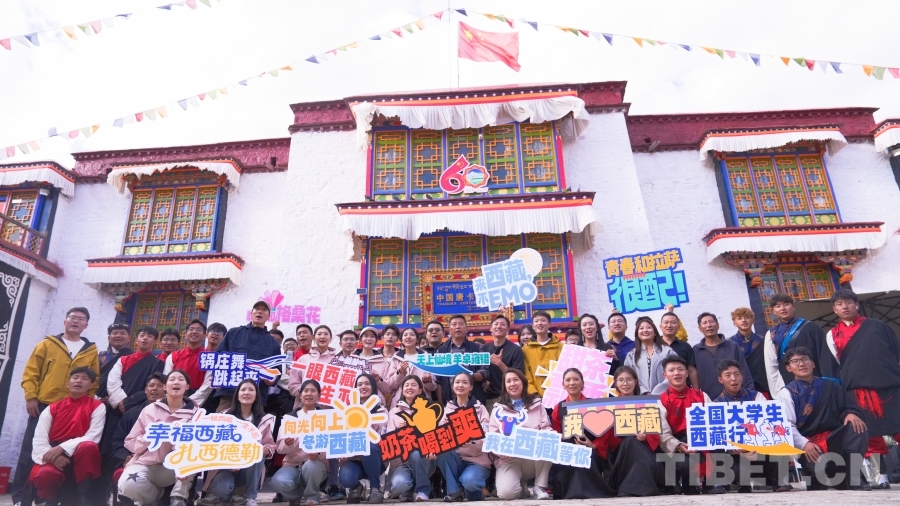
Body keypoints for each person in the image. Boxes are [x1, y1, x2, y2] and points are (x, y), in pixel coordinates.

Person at [13, 307, 99, 505]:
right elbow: (31, 373)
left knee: (68, 449)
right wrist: (31, 397)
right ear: (64, 321)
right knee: (30, 449)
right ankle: (20, 496)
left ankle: (53, 497)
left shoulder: (90, 351)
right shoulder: (47, 344)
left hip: (74, 408)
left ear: (86, 325)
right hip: (44, 404)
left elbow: (94, 380)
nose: (75, 321)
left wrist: (87, 404)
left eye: (81, 319)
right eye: (72, 317)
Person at [825, 289, 900, 486]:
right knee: (871, 435)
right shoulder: (832, 335)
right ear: (834, 309)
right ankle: (880, 476)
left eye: (848, 302)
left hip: (889, 386)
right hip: (858, 391)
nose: (845, 306)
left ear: (856, 304)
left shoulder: (878, 326)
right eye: (840, 304)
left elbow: (895, 353)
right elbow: (837, 363)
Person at [778, 346, 869, 490]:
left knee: (856, 426)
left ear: (813, 363)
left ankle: (853, 476)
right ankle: (829, 476)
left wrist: (850, 413)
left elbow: (849, 406)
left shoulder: (830, 386)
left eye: (805, 359)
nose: (801, 364)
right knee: (822, 476)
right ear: (789, 368)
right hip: (810, 444)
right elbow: (787, 426)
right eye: (795, 361)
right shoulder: (786, 393)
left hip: (835, 439)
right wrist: (804, 444)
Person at [118, 370, 200, 506]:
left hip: (174, 468)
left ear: (187, 386)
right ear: (165, 387)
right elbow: (130, 442)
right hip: (145, 463)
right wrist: (151, 436)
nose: (176, 382)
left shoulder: (196, 414)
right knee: (127, 485)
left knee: (195, 457)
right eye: (172, 379)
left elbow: (198, 445)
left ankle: (178, 498)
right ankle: (155, 496)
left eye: (181, 379)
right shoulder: (149, 410)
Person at [27, 367, 105, 506]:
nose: (79, 381)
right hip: (54, 455)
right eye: (75, 377)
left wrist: (62, 448)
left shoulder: (97, 406)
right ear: (68, 383)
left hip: (81, 454)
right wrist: (55, 456)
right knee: (45, 475)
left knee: (88, 446)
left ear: (91, 385)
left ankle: (84, 498)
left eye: (84, 379)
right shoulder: (52, 408)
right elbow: (39, 439)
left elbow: (93, 436)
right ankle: (49, 500)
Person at [198, 379, 276, 506]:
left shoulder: (264, 419)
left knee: (258, 453)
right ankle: (232, 497)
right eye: (243, 390)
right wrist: (229, 462)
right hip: (225, 467)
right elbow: (215, 444)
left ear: (256, 395)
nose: (247, 393)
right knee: (221, 489)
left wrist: (267, 449)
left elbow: (269, 443)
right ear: (237, 395)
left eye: (251, 390)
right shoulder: (224, 417)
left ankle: (250, 497)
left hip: (249, 469)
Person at [711, 360, 785, 493]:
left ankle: (778, 483)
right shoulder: (716, 404)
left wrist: (754, 444)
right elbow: (717, 437)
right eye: (728, 375)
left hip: (759, 449)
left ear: (742, 376)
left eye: (736, 374)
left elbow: (769, 424)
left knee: (779, 441)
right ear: (720, 380)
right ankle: (733, 482)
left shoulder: (757, 397)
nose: (733, 379)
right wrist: (732, 449)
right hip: (735, 455)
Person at [549, 368, 616, 499]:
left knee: (584, 457)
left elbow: (606, 431)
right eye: (568, 380)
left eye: (576, 379)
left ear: (582, 383)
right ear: (563, 384)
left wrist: (594, 445)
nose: (572, 383)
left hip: (590, 450)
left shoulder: (594, 405)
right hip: (568, 450)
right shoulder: (559, 408)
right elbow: (557, 433)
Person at [488, 368, 551, 500]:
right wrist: (503, 451)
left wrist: (547, 436)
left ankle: (539, 486)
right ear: (505, 386)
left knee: (548, 442)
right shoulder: (497, 409)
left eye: (516, 380)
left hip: (533, 457)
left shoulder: (537, 404)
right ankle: (521, 486)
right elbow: (493, 437)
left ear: (523, 382)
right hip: (509, 459)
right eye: (508, 381)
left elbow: (546, 428)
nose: (512, 384)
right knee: (506, 494)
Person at [763, 293, 839, 397]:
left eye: (786, 304)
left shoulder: (812, 327)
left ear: (793, 306)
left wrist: (829, 382)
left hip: (817, 382)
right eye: (778, 306)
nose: (783, 308)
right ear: (774, 311)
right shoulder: (771, 334)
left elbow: (824, 354)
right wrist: (778, 391)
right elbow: (771, 365)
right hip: (789, 384)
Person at [603, 366, 663, 496]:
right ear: (615, 383)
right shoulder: (610, 405)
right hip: (620, 451)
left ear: (635, 382)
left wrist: (646, 437)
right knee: (629, 441)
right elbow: (607, 436)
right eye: (621, 380)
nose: (625, 383)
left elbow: (655, 431)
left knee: (634, 444)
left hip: (643, 446)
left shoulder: (646, 403)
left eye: (629, 379)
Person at [108, 373, 167, 506]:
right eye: (151, 385)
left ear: (166, 389)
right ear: (145, 390)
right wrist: (124, 456)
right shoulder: (131, 414)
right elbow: (118, 440)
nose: (154, 389)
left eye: (159, 386)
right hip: (136, 460)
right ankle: (154, 495)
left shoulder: (173, 413)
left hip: (162, 463)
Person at [271, 379, 330, 506]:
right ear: (300, 394)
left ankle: (312, 496)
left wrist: (319, 454)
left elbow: (332, 444)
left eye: (313, 391)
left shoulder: (327, 417)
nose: (309, 394)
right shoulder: (289, 418)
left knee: (311, 465)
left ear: (319, 395)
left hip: (316, 465)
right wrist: (288, 444)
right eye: (306, 391)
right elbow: (279, 449)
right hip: (293, 465)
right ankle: (295, 496)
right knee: (278, 482)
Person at [433, 372, 490, 501]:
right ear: (453, 386)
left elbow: (487, 435)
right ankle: (455, 492)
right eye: (457, 382)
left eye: (465, 382)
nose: (460, 385)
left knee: (470, 483)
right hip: (455, 460)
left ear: (471, 387)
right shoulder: (447, 409)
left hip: (477, 460)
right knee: (441, 450)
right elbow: (441, 436)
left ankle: (473, 490)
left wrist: (473, 440)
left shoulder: (480, 408)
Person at [215, 301, 282, 411]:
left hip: (257, 397)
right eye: (257, 309)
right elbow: (218, 357)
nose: (259, 312)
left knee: (254, 422)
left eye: (264, 310)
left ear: (269, 316)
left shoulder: (273, 344)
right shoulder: (234, 333)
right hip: (229, 392)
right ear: (251, 313)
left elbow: (277, 372)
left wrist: (271, 378)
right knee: (221, 421)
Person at [658, 356, 711, 495]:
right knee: (685, 464)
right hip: (678, 444)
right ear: (665, 375)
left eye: (680, 369)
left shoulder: (702, 396)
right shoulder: (661, 400)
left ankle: (710, 482)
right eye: (671, 370)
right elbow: (663, 433)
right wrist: (679, 445)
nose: (676, 373)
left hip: (701, 440)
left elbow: (713, 424)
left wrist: (701, 441)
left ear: (687, 373)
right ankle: (687, 483)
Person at [340, 373, 388, 504]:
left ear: (373, 387)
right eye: (359, 384)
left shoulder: (381, 410)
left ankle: (375, 488)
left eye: (367, 383)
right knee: (346, 478)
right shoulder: (346, 411)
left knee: (369, 446)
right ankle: (356, 487)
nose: (363, 387)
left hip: (374, 457)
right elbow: (341, 435)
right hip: (353, 458)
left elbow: (381, 438)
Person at [387, 375, 436, 501]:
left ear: (420, 390)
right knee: (399, 485)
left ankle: (422, 490)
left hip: (423, 459)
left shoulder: (429, 410)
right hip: (402, 463)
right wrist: (399, 433)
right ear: (402, 390)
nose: (409, 387)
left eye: (414, 385)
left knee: (416, 454)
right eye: (406, 385)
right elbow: (388, 441)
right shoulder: (394, 412)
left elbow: (434, 435)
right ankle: (409, 489)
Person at [692, 313, 753, 399]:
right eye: (704, 323)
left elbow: (744, 370)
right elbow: (694, 375)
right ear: (700, 329)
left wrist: (750, 394)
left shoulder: (732, 346)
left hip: (735, 398)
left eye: (711, 322)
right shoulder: (696, 350)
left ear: (718, 325)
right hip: (709, 400)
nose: (709, 325)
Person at [435, 316, 486, 404]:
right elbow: (438, 379)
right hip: (449, 400)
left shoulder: (477, 348)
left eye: (461, 324)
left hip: (474, 399)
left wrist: (467, 376)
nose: (458, 327)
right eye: (454, 324)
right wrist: (441, 403)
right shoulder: (441, 351)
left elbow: (484, 372)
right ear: (449, 330)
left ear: (466, 329)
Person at [163, 319, 212, 407]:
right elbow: (167, 379)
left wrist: (189, 402)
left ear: (205, 335)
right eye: (191, 329)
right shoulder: (173, 356)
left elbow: (207, 385)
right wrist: (175, 399)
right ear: (185, 334)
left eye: (199, 329)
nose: (194, 332)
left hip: (201, 402)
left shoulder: (210, 357)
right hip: (175, 398)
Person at [481, 315, 525, 413]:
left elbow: (519, 376)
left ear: (508, 329)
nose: (499, 326)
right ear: (491, 328)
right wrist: (484, 381)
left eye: (502, 324)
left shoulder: (516, 350)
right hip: (489, 398)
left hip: (510, 398)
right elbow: (479, 370)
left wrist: (499, 363)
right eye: (496, 324)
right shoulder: (484, 349)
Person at [623, 317, 676, 394]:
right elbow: (628, 376)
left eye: (648, 327)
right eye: (641, 328)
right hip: (641, 397)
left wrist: (658, 391)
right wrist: (644, 392)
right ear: (637, 334)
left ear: (655, 333)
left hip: (666, 395)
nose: (645, 330)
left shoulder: (668, 351)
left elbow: (675, 373)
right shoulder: (631, 355)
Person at [290, 325, 337, 406]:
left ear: (331, 338)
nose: (322, 337)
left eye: (326, 334)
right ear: (313, 338)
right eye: (319, 334)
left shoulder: (337, 361)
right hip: (304, 407)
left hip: (328, 408)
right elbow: (292, 385)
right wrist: (307, 391)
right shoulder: (302, 360)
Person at [391, 328, 437, 408]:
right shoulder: (396, 358)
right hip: (399, 404)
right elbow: (391, 385)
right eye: (405, 335)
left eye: (412, 335)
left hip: (422, 403)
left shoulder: (426, 358)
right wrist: (400, 373)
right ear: (401, 340)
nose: (408, 337)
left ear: (417, 340)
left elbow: (433, 387)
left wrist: (427, 382)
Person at [728, 307, 769, 396]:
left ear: (753, 321)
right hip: (739, 386)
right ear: (734, 323)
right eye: (739, 318)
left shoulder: (763, 340)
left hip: (762, 385)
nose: (743, 320)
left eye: (747, 317)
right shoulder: (729, 343)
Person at [523, 311, 563, 398]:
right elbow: (526, 375)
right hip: (535, 397)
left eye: (543, 320)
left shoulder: (560, 346)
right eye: (536, 321)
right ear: (533, 326)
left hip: (558, 394)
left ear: (549, 324)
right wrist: (533, 393)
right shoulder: (526, 349)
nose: (539, 323)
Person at [356, 327, 401, 405]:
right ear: (360, 339)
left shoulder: (383, 361)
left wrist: (378, 379)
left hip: (376, 404)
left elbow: (387, 389)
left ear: (376, 341)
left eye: (372, 336)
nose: (369, 339)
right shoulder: (351, 360)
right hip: (354, 402)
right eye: (366, 336)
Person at [659, 312, 699, 389]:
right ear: (660, 326)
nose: (669, 325)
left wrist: (696, 391)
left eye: (673, 322)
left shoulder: (685, 346)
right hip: (659, 391)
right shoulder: (654, 345)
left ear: (678, 327)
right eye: (666, 322)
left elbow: (692, 371)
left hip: (682, 390)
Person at [98, 323, 134, 390]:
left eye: (122, 333)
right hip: (100, 393)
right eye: (115, 333)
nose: (118, 336)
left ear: (129, 338)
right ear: (108, 338)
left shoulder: (133, 356)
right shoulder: (101, 355)